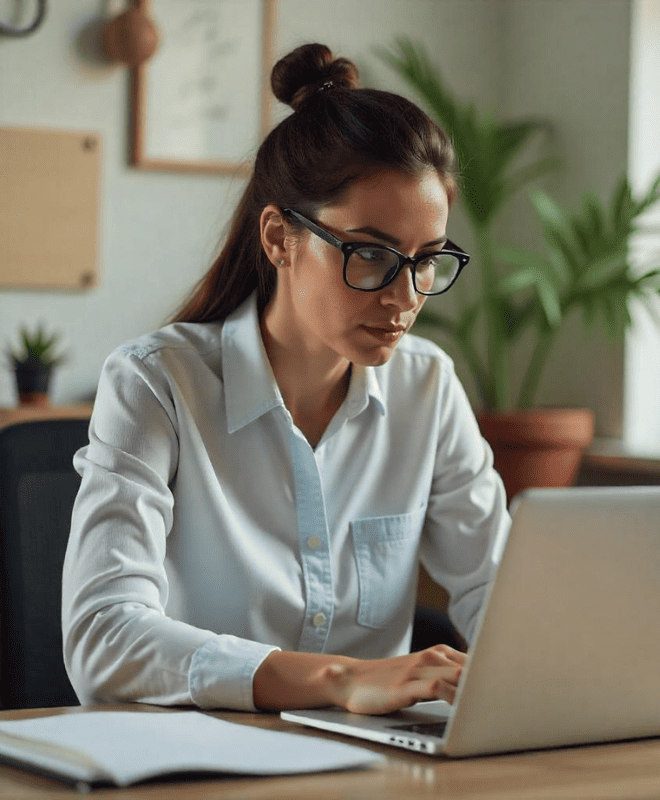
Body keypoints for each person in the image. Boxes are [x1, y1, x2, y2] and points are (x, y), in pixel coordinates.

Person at [62, 43, 510, 716]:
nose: (405, 297)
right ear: (279, 238)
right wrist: (339, 680)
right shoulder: (157, 384)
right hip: (195, 762)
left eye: (426, 260)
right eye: (370, 255)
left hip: (370, 768)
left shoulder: (428, 388)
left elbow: (495, 588)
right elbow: (102, 641)